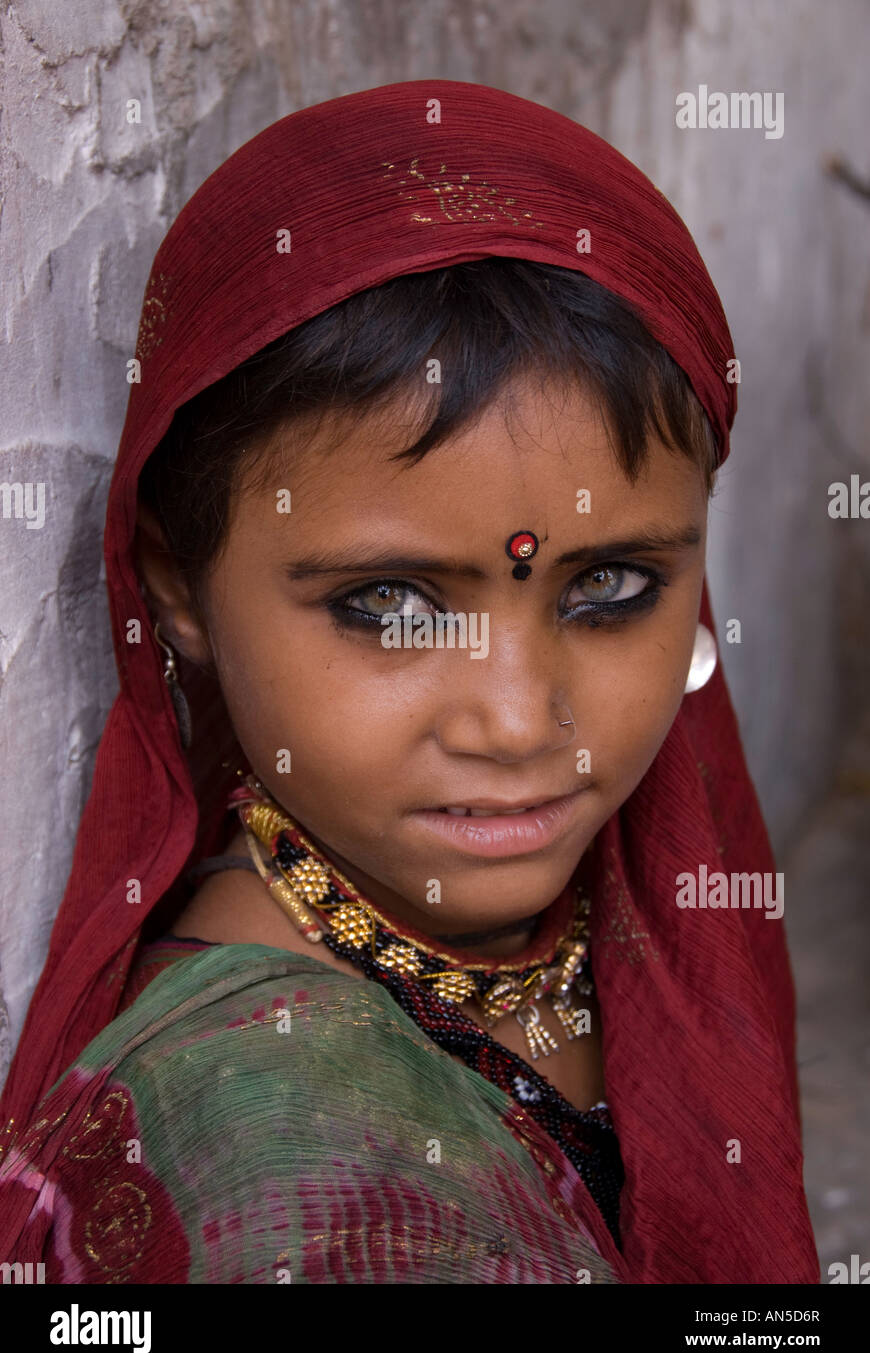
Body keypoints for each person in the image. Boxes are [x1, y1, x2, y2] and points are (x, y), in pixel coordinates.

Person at [0, 79, 818, 1284]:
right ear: (178, 582)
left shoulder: (595, 922)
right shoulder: (290, 1182)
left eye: (610, 590)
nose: (518, 718)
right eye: (389, 605)